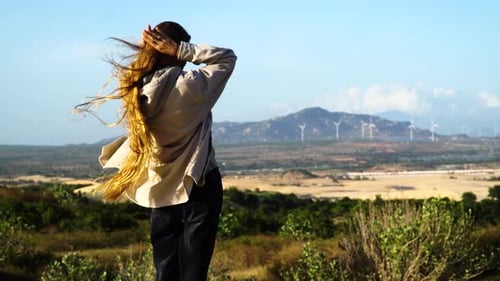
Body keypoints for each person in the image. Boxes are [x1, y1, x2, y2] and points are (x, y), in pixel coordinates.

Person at [76, 21, 236, 281]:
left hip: (157, 188)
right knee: (194, 271)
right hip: (198, 185)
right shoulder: (191, 85)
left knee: (165, 270)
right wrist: (184, 50)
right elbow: (226, 58)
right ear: (172, 51)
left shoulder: (135, 94)